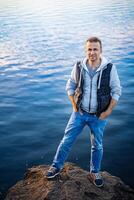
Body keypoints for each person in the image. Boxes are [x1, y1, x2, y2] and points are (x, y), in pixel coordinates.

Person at [46, 37, 121, 187]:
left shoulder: (109, 68)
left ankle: (94, 172)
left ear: (101, 51)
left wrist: (108, 112)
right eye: (89, 49)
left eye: (95, 49)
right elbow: (70, 85)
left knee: (97, 145)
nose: (92, 52)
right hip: (79, 113)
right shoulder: (79, 66)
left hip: (99, 116)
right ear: (85, 50)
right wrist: (74, 104)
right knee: (67, 140)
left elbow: (116, 90)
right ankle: (56, 166)